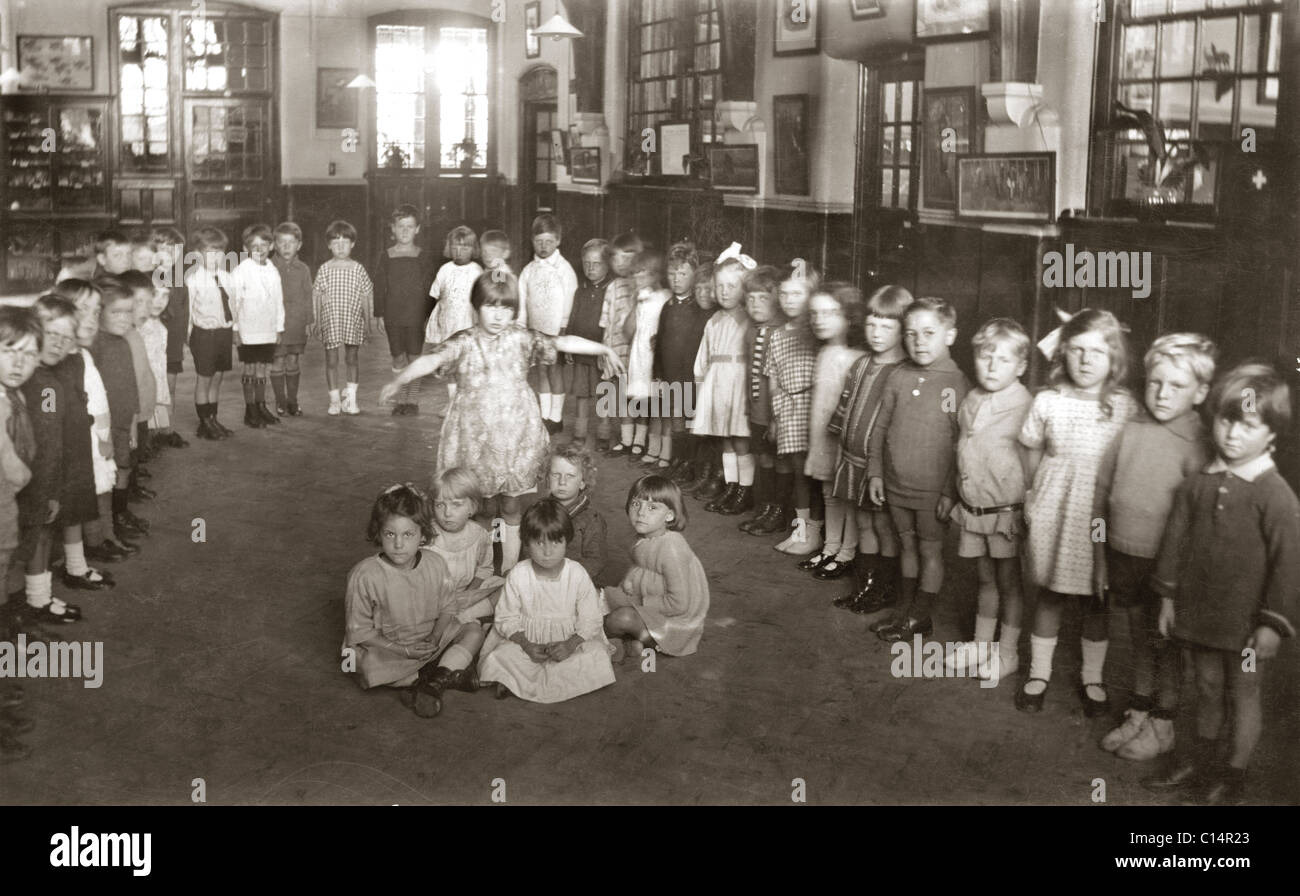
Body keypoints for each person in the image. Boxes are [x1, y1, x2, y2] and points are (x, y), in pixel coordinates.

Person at [379, 271, 624, 573]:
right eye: (491, 306)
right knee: (479, 505)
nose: (498, 315)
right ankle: (481, 564)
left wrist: (603, 347)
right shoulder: (465, 341)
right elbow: (432, 360)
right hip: (473, 436)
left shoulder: (521, 338)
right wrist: (399, 380)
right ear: (476, 307)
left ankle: (507, 567)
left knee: (510, 504)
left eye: (506, 308)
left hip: (514, 437)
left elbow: (562, 341)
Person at [1144, 362, 1299, 805]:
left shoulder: (1276, 494)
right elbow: (1174, 542)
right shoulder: (1197, 484)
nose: (1232, 434)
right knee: (1207, 686)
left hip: (1247, 623)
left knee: (1243, 693)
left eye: (1248, 425)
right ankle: (1204, 760)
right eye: (1226, 420)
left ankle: (1234, 772)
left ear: (1271, 434)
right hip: (1200, 612)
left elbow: (1290, 564)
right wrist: (1168, 597)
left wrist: (1272, 624)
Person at [1096, 333, 1216, 760]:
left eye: (1177, 386)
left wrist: (1177, 582)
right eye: (1155, 382)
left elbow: (1200, 522)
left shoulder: (1198, 443)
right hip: (1123, 555)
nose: (1162, 393)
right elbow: (1103, 489)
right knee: (1137, 639)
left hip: (1169, 568)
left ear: (1200, 391)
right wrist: (1099, 555)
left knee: (1166, 645)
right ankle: (1139, 709)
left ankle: (1163, 722)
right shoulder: (1132, 427)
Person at [1015, 308, 1138, 713]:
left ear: (1114, 360)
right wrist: (1033, 494)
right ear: (1063, 354)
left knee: (1096, 600)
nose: (1086, 361)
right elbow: (1030, 448)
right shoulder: (1048, 401)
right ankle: (1039, 673)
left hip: (1098, 519)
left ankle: (1092, 677)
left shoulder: (1124, 407)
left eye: (1098, 353)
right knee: (1049, 595)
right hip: (1054, 508)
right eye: (1078, 351)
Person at [867, 298, 971, 642]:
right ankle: (904, 611)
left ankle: (920, 616)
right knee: (906, 546)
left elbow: (959, 441)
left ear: (950, 335)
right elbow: (880, 428)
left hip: (931, 490)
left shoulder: (953, 384)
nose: (919, 341)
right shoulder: (898, 375)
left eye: (929, 333)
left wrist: (948, 491)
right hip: (896, 483)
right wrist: (876, 472)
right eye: (911, 333)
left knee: (929, 550)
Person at [942, 319, 1034, 682]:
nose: (993, 366)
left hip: (1005, 513)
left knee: (1009, 583)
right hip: (973, 509)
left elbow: (1032, 465)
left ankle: (1007, 652)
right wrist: (952, 492)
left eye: (1004, 360)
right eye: (985, 356)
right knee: (984, 580)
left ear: (1021, 367)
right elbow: (960, 450)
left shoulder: (1026, 406)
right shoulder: (971, 398)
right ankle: (981, 644)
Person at [344, 484, 485, 719]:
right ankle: (443, 674)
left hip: (429, 642)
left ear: (422, 535)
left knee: (474, 631)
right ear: (378, 532)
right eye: (390, 534)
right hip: (390, 650)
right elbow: (358, 632)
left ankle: (430, 682)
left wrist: (436, 636)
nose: (399, 544)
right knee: (366, 668)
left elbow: (448, 606)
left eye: (408, 534)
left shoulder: (435, 563)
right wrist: (404, 650)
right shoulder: (364, 574)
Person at [477, 499, 616, 703]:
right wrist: (526, 644)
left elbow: (591, 619)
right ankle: (518, 677)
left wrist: (570, 644)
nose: (548, 551)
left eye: (555, 542)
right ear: (526, 543)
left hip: (568, 641)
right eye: (539, 542)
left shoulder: (577, 573)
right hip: (526, 641)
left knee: (597, 655)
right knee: (499, 656)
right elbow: (506, 617)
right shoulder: (519, 574)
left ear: (566, 541)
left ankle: (515, 682)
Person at [827, 285, 910, 613]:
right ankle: (867, 585)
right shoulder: (860, 365)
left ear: (903, 330)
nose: (877, 334)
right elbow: (845, 407)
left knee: (883, 528)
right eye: (872, 325)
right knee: (863, 525)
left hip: (880, 468)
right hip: (852, 459)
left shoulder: (903, 372)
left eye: (887, 327)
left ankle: (884, 588)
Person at [798, 284, 867, 580]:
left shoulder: (857, 356)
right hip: (822, 431)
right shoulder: (825, 351)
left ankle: (847, 552)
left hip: (843, 437)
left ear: (849, 316)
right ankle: (830, 546)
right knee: (828, 491)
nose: (820, 320)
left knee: (845, 495)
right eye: (815, 313)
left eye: (830, 313)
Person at [603, 475, 710, 661]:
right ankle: (635, 641)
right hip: (650, 605)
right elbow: (641, 567)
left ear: (669, 515)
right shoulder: (645, 536)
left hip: (675, 623)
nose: (641, 513)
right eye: (636, 504)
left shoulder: (672, 549)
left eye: (652, 508)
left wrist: (637, 601)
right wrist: (628, 581)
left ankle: (639, 640)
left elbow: (679, 604)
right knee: (601, 600)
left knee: (619, 618)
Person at [0, 306, 40, 763]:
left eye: (28, 355)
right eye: (10, 352)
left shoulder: (14, 396)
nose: (19, 363)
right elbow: (15, 471)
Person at [691, 245, 754, 514]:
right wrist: (700, 382)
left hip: (738, 387)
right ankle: (730, 486)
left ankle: (745, 490)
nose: (725, 292)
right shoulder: (714, 320)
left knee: (740, 440)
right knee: (725, 440)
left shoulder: (749, 320)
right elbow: (703, 356)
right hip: (717, 386)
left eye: (732, 285)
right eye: (720, 286)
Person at [766, 262, 821, 552]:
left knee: (811, 475)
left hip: (812, 409)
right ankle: (800, 531)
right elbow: (773, 375)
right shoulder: (777, 334)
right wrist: (776, 417)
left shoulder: (816, 332)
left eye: (797, 294)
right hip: (788, 409)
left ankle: (814, 533)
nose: (789, 300)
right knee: (798, 473)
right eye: (785, 294)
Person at [519, 214, 579, 434]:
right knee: (541, 372)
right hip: (536, 331)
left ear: (558, 240)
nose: (543, 246)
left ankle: (557, 417)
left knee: (555, 372)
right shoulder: (528, 271)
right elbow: (523, 300)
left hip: (556, 331)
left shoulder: (564, 270)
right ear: (532, 241)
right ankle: (544, 416)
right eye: (539, 241)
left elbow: (570, 299)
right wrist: (523, 325)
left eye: (549, 241)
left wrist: (563, 327)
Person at [373, 205, 435, 417]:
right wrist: (379, 313)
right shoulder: (386, 256)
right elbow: (380, 286)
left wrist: (428, 315)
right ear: (393, 229)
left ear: (417, 229)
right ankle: (401, 399)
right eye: (401, 227)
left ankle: (413, 400)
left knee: (415, 357)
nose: (405, 231)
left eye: (410, 226)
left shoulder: (422, 256)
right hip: (393, 315)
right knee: (398, 357)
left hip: (416, 315)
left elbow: (429, 288)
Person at [737, 265, 785, 533]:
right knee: (762, 459)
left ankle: (778, 511)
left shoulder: (780, 331)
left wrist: (776, 416)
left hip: (775, 413)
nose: (755, 305)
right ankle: (764, 508)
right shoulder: (752, 330)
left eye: (763, 298)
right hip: (757, 410)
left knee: (777, 461)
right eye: (751, 298)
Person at [311, 219, 375, 416]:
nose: (340, 246)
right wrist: (317, 321)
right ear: (329, 245)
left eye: (345, 242)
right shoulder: (324, 269)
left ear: (353, 244)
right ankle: (334, 400)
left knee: (352, 358)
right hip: (331, 322)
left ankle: (352, 399)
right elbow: (317, 296)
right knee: (331, 360)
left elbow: (366, 295)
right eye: (335, 242)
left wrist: (368, 321)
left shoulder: (358, 269)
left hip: (352, 321)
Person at [230, 224, 285, 428]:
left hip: (267, 329)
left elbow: (278, 301)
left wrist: (279, 328)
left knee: (263, 368)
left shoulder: (273, 270)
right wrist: (235, 330)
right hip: (248, 330)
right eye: (254, 245)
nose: (260, 249)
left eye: (264, 244)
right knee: (250, 368)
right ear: (245, 249)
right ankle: (250, 409)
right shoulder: (240, 271)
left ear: (271, 247)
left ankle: (261, 406)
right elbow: (233, 303)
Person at [185, 227, 236, 439]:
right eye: (210, 252)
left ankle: (213, 419)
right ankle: (204, 422)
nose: (216, 257)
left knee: (217, 378)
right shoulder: (193, 279)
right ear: (198, 254)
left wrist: (236, 330)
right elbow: (188, 310)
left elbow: (233, 305)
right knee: (204, 379)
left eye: (219, 252)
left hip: (223, 333)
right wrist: (188, 337)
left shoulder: (227, 276)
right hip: (204, 335)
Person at [423, 224, 481, 411]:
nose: (459, 250)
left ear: (473, 249)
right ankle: (452, 402)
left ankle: (466, 402)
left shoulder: (477, 270)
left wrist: (498, 269)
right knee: (450, 367)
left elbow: (495, 285)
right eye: (455, 246)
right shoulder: (444, 269)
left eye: (465, 246)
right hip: (448, 324)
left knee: (465, 365)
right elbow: (434, 296)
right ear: (449, 247)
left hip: (467, 324)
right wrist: (428, 319)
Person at [563, 239, 612, 448]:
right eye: (587, 263)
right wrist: (568, 344)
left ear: (607, 265)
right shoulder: (580, 290)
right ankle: (580, 433)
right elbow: (573, 318)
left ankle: (603, 433)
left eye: (596, 263)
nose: (590, 268)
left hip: (601, 352)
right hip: (581, 350)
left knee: (604, 393)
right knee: (581, 393)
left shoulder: (611, 290)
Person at [625, 248, 670, 460]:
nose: (636, 277)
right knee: (641, 398)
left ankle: (656, 446)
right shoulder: (640, 298)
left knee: (657, 402)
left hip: (656, 355)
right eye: (634, 273)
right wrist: (635, 304)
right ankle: (638, 439)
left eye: (641, 272)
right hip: (639, 353)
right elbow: (629, 331)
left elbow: (667, 327)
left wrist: (660, 341)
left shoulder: (665, 297)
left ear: (655, 274)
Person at [270, 222, 313, 416]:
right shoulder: (268, 267)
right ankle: (280, 401)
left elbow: (307, 295)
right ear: (275, 245)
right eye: (282, 242)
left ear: (299, 245)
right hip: (275, 325)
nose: (286, 247)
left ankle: (292, 401)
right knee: (277, 360)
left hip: (296, 323)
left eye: (291, 242)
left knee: (293, 360)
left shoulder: (303, 269)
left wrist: (309, 320)